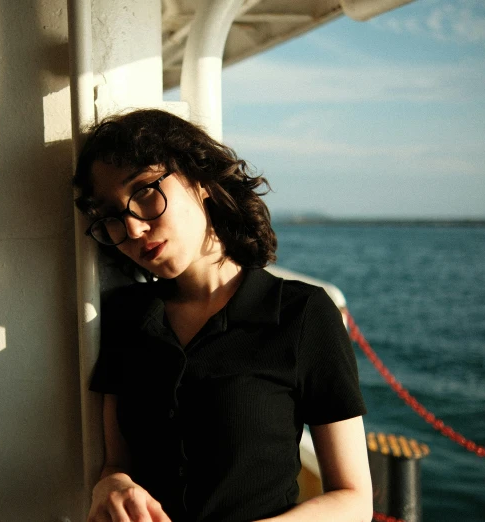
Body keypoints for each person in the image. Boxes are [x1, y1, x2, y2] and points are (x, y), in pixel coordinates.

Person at [73, 108, 372, 522]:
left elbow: (354, 499)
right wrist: (112, 484)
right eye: (110, 216)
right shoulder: (125, 317)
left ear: (200, 180)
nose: (134, 228)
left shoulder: (301, 314)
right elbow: (116, 462)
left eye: (143, 191)